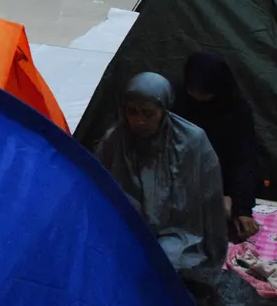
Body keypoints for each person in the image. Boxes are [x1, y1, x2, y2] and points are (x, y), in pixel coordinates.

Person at [97, 72, 228, 270]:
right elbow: (96, 187)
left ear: (163, 110)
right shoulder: (114, 141)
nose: (139, 121)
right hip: (127, 226)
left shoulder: (192, 141)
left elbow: (211, 200)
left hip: (178, 231)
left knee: (163, 266)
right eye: (132, 111)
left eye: (148, 113)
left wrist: (216, 252)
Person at [175, 52, 261, 241]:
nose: (197, 98)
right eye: (193, 91)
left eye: (205, 94)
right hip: (180, 185)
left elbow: (244, 160)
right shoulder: (179, 103)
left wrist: (241, 206)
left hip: (222, 186)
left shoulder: (236, 110)